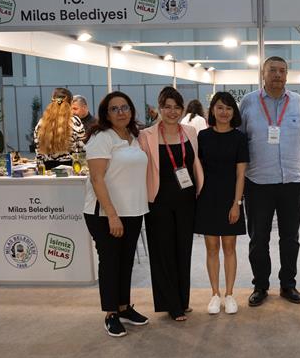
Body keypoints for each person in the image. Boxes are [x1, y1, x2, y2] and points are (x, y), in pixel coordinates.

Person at [240, 56, 300, 307]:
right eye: (272, 70)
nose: (277, 75)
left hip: (292, 181)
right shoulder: (248, 102)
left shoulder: (298, 102)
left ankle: (288, 284)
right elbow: (239, 141)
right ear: (263, 73)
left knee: (290, 238)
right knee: (258, 238)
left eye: (282, 71)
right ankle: (260, 285)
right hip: (258, 182)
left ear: (287, 75)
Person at [83, 92, 149, 337]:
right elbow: (97, 178)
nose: (121, 112)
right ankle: (111, 313)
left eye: (125, 107)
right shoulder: (101, 137)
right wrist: (112, 215)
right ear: (106, 114)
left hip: (133, 210)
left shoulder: (133, 136)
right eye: (115, 109)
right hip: (105, 213)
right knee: (110, 261)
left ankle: (123, 307)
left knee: (126, 261)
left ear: (131, 110)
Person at [139, 87, 204, 321]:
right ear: (159, 108)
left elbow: (196, 163)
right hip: (159, 201)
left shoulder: (190, 132)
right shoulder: (146, 136)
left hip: (186, 200)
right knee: (163, 252)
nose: (172, 111)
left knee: (183, 251)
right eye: (167, 107)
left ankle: (182, 300)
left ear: (183, 109)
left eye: (177, 107)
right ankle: (172, 304)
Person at [195, 92, 249, 315]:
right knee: (211, 247)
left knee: (229, 247)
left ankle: (229, 294)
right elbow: (197, 169)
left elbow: (240, 174)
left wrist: (237, 203)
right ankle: (215, 294)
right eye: (219, 107)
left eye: (228, 108)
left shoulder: (239, 138)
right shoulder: (202, 136)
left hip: (230, 198)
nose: (224, 112)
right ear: (212, 110)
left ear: (233, 112)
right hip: (207, 198)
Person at [34, 87, 86, 169]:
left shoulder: (41, 123)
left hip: (47, 170)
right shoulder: (75, 121)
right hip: (70, 170)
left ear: (52, 101)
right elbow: (82, 150)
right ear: (70, 103)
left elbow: (38, 153)